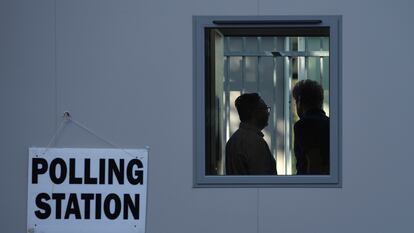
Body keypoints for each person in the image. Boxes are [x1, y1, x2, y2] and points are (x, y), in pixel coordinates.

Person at [225, 93, 277, 175]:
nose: (268, 113)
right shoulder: (255, 142)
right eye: (265, 109)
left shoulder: (232, 141)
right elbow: (263, 181)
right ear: (255, 113)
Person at [292, 80, 330, 175]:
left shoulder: (304, 125)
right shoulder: (330, 123)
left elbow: (314, 162)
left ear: (300, 100)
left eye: (295, 101)